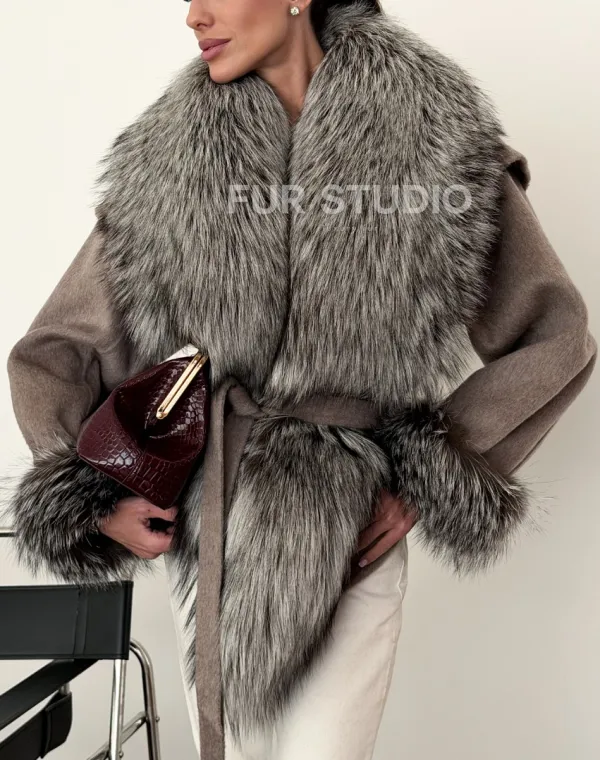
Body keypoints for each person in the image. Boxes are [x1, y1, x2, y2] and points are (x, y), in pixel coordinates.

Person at [2, 0, 597, 758]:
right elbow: (58, 348)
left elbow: (556, 334)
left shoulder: (435, 138)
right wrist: (93, 494)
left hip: (351, 525)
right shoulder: (168, 158)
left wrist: (436, 468)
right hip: (213, 525)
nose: (194, 16)